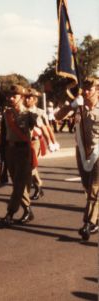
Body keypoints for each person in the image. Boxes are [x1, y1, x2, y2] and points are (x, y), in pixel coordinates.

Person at [56, 77, 99, 240]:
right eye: (85, 88)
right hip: (82, 151)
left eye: (90, 88)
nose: (86, 91)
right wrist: (72, 105)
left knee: (95, 188)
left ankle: (88, 223)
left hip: (98, 151)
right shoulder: (78, 105)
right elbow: (58, 117)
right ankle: (96, 217)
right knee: (87, 188)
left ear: (98, 90)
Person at [0, 84, 39, 227]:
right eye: (9, 96)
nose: (10, 98)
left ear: (22, 98)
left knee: (19, 184)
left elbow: (39, 128)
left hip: (23, 152)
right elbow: (2, 133)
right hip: (10, 150)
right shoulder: (7, 113)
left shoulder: (29, 114)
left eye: (14, 96)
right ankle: (28, 210)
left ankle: (10, 213)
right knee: (17, 184)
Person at [24, 88, 59, 201]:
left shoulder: (40, 112)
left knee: (30, 165)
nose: (26, 99)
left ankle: (36, 186)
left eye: (29, 97)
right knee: (28, 165)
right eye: (25, 97)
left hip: (35, 141)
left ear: (34, 100)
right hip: (23, 141)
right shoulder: (21, 110)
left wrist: (52, 142)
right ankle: (38, 185)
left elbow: (47, 128)